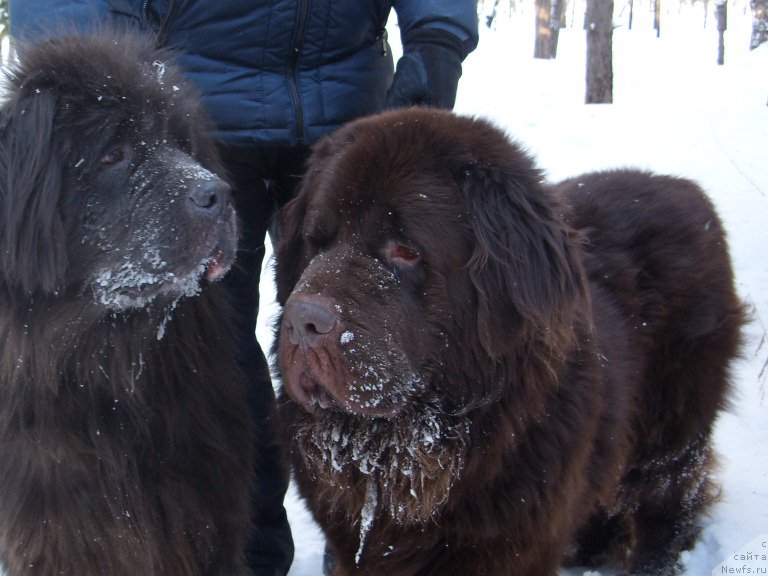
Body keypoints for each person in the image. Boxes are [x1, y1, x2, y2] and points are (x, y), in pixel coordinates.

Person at [8, 2, 479, 574]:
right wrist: (84, 65)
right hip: (200, 101)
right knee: (207, 356)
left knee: (354, 344)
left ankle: (363, 545)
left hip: (346, 107)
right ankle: (245, 551)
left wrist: (438, 36)